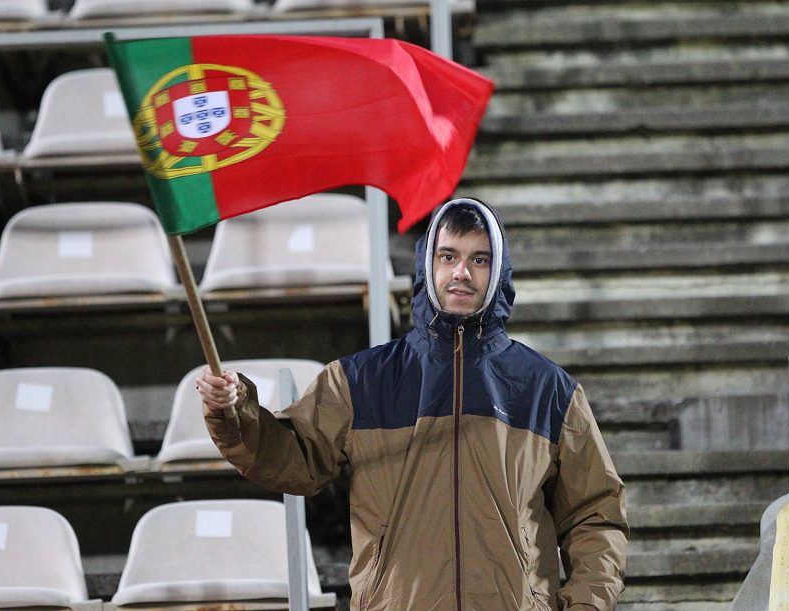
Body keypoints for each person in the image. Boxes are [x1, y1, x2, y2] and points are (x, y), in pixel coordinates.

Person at [198, 198, 628, 610]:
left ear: (499, 273)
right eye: (448, 256)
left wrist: (586, 604)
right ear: (428, 265)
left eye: (479, 259)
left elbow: (595, 516)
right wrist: (233, 412)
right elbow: (292, 457)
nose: (462, 272)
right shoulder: (360, 380)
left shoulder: (548, 389)